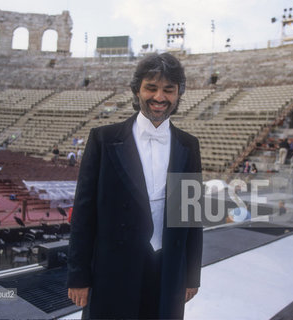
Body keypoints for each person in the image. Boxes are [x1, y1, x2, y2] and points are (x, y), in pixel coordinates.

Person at [67, 53, 203, 319]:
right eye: (151, 88)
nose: (159, 97)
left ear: (178, 93)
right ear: (137, 89)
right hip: (113, 269)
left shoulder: (188, 145)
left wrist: (191, 276)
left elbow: (191, 216)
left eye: (168, 90)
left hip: (167, 269)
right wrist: (78, 275)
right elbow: (84, 214)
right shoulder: (103, 139)